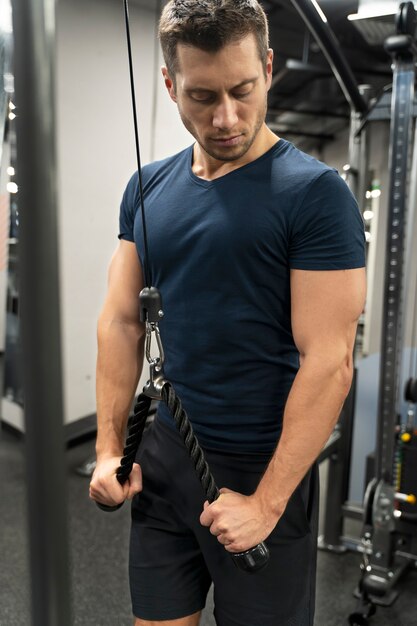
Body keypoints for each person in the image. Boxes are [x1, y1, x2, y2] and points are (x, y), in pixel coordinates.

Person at [89, 0, 367, 624]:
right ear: (170, 86)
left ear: (268, 68)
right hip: (165, 459)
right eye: (201, 96)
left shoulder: (316, 196)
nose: (226, 117)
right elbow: (122, 319)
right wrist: (110, 450)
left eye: (243, 90)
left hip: (264, 468)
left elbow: (330, 360)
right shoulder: (148, 187)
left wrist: (267, 504)